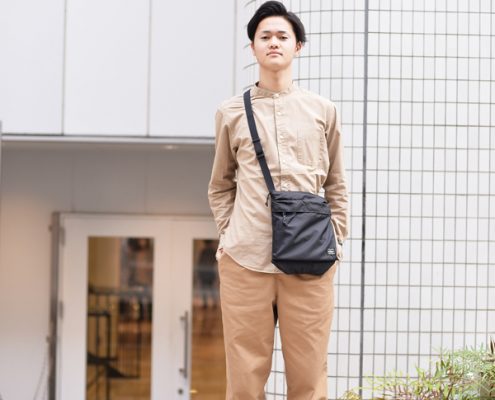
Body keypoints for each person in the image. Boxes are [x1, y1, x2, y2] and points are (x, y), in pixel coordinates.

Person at [208, 1, 348, 398]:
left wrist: (335, 239)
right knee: (244, 378)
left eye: (282, 36)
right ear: (252, 47)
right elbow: (220, 185)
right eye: (264, 36)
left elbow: (336, 183)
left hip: (311, 261)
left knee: (309, 378)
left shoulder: (323, 110)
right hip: (245, 260)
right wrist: (229, 235)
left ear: (297, 46)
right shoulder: (231, 112)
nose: (274, 42)